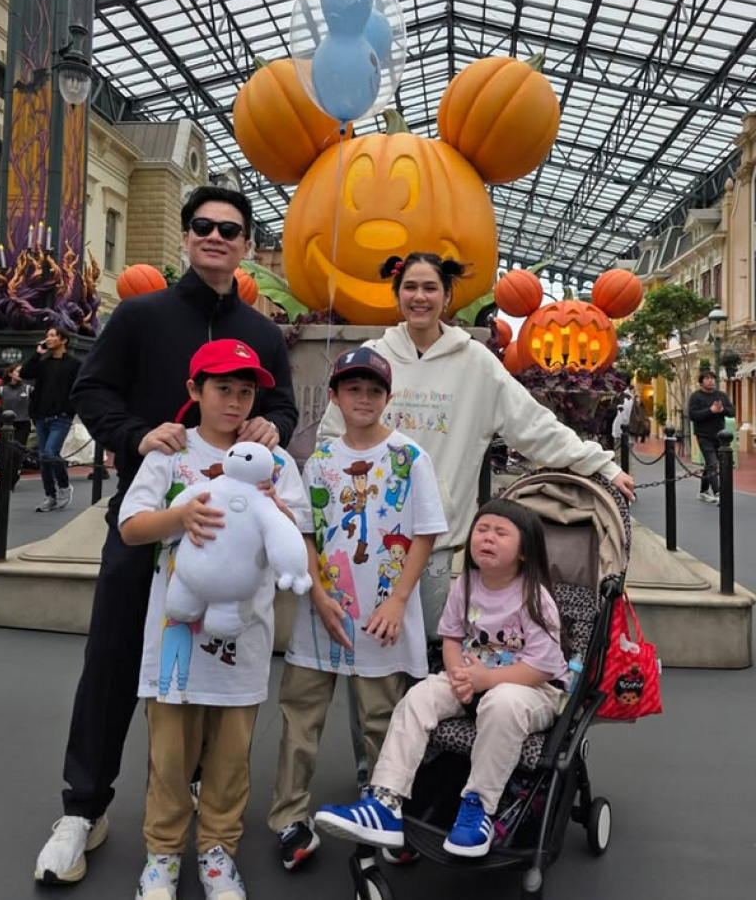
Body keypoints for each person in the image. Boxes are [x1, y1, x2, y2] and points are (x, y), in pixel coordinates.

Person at [34, 186, 298, 885]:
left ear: (245, 245)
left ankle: (202, 815)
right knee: (114, 658)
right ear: (185, 237)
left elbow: (282, 408)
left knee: (210, 670)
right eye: (203, 225)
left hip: (226, 539)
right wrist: (135, 435)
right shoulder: (140, 315)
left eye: (230, 229)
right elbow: (92, 390)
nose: (216, 236)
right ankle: (83, 807)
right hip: (148, 519)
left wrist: (273, 425)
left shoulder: (262, 332)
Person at [319, 253, 636, 642]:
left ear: (447, 297)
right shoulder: (373, 357)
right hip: (367, 532)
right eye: (410, 287)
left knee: (426, 643)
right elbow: (331, 440)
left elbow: (533, 426)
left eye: (430, 287)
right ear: (398, 294)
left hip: (434, 537)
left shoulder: (476, 363)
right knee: (366, 644)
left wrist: (601, 465)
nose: (420, 297)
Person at [118, 339, 310, 900]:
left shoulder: (275, 462)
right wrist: (180, 516)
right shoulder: (170, 453)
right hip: (175, 639)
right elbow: (130, 527)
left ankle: (218, 851)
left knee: (230, 758)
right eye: (222, 388)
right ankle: (162, 855)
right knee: (169, 756)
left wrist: (274, 507)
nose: (234, 401)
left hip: (243, 638)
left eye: (245, 391)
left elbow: (297, 535)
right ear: (194, 390)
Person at [267, 346, 447, 871]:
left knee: (381, 722)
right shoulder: (321, 461)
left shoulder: (410, 457)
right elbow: (307, 533)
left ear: (387, 397)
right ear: (334, 396)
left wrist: (398, 601)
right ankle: (289, 817)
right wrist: (317, 595)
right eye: (353, 389)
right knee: (300, 718)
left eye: (373, 390)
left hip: (380, 617)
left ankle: (385, 809)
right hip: (321, 614)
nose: (363, 399)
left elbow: (424, 533)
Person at [314, 498, 566, 859]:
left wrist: (485, 680)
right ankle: (386, 801)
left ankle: (478, 807)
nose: (488, 538)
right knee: (420, 697)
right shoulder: (466, 585)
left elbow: (542, 666)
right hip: (471, 680)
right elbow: (452, 638)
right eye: (482, 529)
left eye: (500, 533)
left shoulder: (534, 596)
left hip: (529, 689)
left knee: (502, 701)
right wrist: (458, 674)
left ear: (525, 551)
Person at [20, 326, 82, 512]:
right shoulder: (43, 362)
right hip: (41, 415)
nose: (48, 338)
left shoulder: (75, 364)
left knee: (49, 453)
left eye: (53, 336)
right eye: (47, 335)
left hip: (61, 417)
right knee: (44, 457)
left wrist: (69, 409)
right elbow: (25, 373)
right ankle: (50, 496)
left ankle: (64, 486)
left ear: (63, 340)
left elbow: (80, 388)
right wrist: (37, 354)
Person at [688, 370, 735, 504]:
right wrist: (710, 411)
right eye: (707, 379)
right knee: (712, 462)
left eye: (713, 378)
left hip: (720, 436)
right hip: (703, 435)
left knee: (710, 463)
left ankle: (703, 491)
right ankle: (718, 492)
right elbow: (693, 415)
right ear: (701, 382)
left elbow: (732, 411)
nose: (711, 381)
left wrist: (722, 410)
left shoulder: (721, 395)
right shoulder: (695, 397)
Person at [0, 363, 34, 489]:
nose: (20, 374)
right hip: (5, 425)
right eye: (18, 371)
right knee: (4, 451)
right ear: (10, 374)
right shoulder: (1, 390)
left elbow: (35, 406)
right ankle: (4, 474)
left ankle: (14, 475)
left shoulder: (28, 389)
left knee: (17, 452)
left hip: (23, 424)